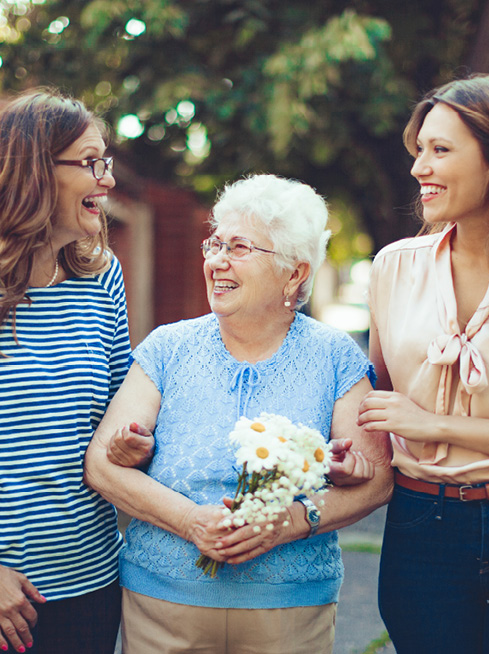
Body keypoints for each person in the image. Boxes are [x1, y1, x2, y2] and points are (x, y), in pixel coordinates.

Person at [84, 173, 393, 654]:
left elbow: (376, 480)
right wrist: (191, 521)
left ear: (294, 273)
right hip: (163, 605)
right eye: (215, 244)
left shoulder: (335, 356)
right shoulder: (168, 347)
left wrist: (287, 522)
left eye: (240, 248)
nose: (216, 261)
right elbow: (101, 463)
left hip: (290, 610)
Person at [358, 73, 489, 654]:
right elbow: (376, 397)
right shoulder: (394, 266)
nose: (420, 167)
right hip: (422, 525)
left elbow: (412, 418)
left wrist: (436, 425)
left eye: (440, 150)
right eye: (420, 150)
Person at [0, 88, 131, 654]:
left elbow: (123, 417)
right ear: (34, 171)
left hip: (92, 584)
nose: (107, 179)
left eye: (107, 162)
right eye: (90, 162)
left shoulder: (102, 276)